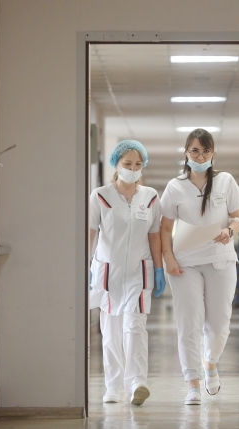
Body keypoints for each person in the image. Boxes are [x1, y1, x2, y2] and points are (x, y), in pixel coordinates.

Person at [160, 128, 239, 405]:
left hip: (220, 259)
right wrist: (168, 257)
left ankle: (210, 362)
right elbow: (165, 228)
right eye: (195, 151)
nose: (200, 156)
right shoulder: (175, 187)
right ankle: (192, 384)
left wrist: (230, 230)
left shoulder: (225, 181)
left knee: (219, 325)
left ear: (213, 153)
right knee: (189, 323)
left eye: (205, 151)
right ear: (186, 152)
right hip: (185, 263)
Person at [88, 139, 166, 406]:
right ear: (116, 164)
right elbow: (90, 233)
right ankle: (113, 386)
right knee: (111, 331)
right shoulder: (100, 196)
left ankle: (137, 383)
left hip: (138, 272)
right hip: (108, 273)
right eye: (127, 163)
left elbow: (154, 235)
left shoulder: (150, 197)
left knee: (135, 326)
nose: (133, 169)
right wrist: (85, 266)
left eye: (137, 164)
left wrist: (159, 268)